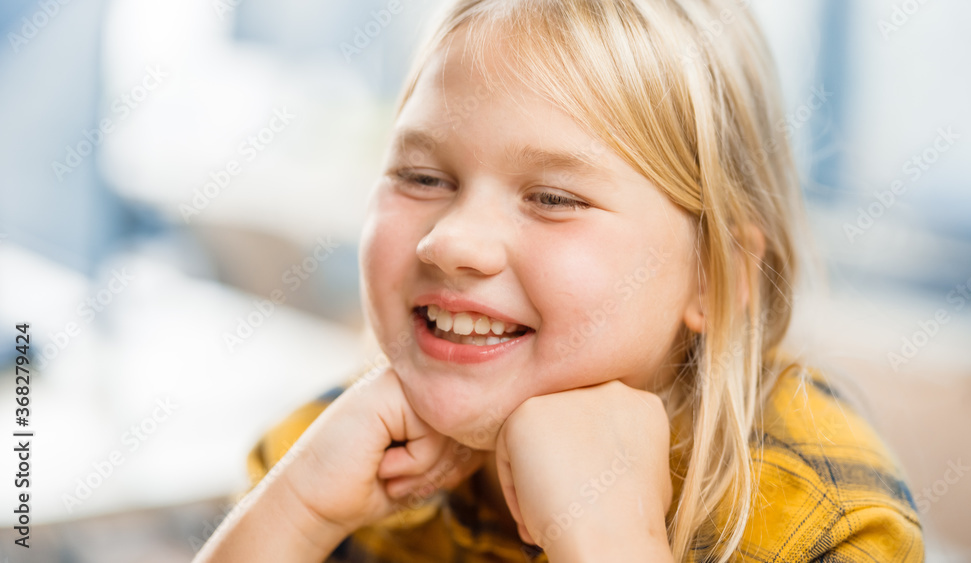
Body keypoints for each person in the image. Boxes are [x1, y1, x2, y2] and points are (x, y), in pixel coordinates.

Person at [194, 0, 924, 561]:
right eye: (422, 176)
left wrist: (609, 539)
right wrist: (297, 514)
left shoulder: (826, 520)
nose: (451, 240)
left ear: (717, 279)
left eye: (552, 198)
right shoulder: (330, 455)